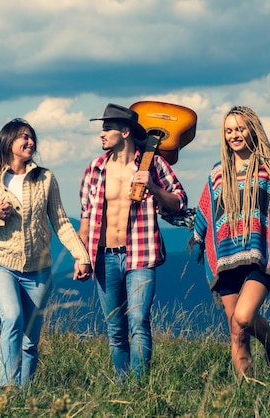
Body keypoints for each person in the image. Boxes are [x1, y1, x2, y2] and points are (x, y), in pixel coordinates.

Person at [0, 118, 91, 388]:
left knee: (31, 339)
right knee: (13, 318)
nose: (30, 141)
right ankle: (7, 391)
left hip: (39, 269)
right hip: (0, 265)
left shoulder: (45, 178)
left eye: (31, 137)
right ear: (8, 143)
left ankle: (24, 394)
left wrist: (82, 256)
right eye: (23, 137)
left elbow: (61, 221)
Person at [193, 105, 270, 377]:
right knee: (236, 331)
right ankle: (249, 395)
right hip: (226, 256)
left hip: (261, 255)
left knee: (243, 317)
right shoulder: (218, 173)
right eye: (229, 130)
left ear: (253, 130)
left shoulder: (269, 169)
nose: (234, 135)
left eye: (240, 128)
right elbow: (205, 212)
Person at [79, 103, 188, 381]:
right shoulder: (95, 169)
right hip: (104, 256)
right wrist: (81, 257)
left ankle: (140, 387)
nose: (102, 134)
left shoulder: (153, 164)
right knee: (115, 329)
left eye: (107, 128)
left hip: (140, 254)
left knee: (139, 322)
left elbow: (179, 202)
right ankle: (123, 385)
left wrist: (152, 186)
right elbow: (86, 218)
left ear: (125, 132)